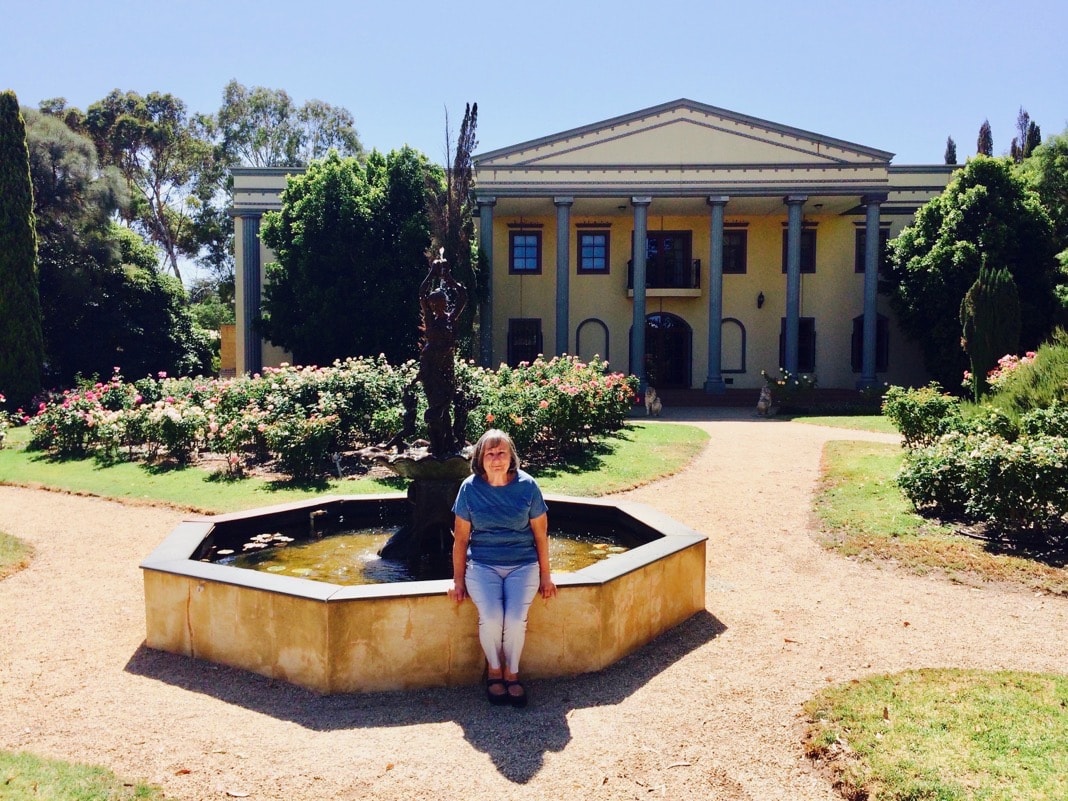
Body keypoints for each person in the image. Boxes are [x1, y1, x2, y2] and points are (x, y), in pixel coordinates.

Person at [449, 429, 556, 707]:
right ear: (480, 459)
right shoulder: (470, 488)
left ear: (512, 457)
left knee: (516, 619)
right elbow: (461, 539)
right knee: (493, 617)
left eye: (502, 453)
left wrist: (547, 576)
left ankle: (512, 672)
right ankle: (494, 670)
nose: (496, 459)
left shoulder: (527, 486)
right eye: (490, 454)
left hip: (523, 565)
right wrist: (457, 581)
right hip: (483, 565)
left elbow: (541, 536)